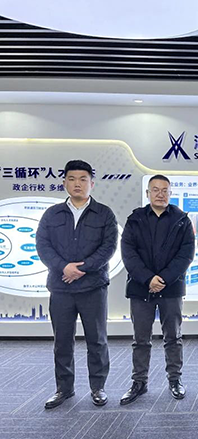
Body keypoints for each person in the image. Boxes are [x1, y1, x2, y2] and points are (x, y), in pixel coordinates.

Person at [36, 159, 118, 409]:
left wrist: (81, 269)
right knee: (62, 341)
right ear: (64, 183)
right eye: (72, 179)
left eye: (83, 179)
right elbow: (43, 245)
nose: (77, 184)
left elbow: (108, 247)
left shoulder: (104, 213)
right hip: (60, 287)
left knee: (97, 340)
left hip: (93, 287)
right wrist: (64, 267)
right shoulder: (52, 214)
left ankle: (98, 387)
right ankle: (64, 388)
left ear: (92, 183)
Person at [119, 175, 195, 405]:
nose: (160, 194)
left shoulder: (181, 220)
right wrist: (148, 279)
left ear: (170, 193)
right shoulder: (135, 219)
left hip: (171, 288)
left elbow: (186, 254)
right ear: (148, 193)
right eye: (155, 190)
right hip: (140, 288)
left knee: (173, 337)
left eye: (164, 190)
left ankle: (175, 380)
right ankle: (139, 382)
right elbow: (128, 253)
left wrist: (163, 279)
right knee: (141, 339)